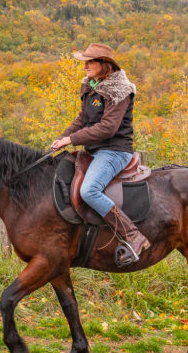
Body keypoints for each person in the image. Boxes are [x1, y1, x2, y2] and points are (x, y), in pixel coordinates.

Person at [51, 43, 149, 266]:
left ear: (104, 64)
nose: (85, 66)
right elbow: (81, 120)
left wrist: (73, 140)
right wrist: (62, 138)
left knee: (89, 190)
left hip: (115, 150)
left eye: (90, 62)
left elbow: (108, 128)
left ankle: (133, 235)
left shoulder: (120, 90)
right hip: (93, 150)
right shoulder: (91, 85)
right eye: (85, 61)